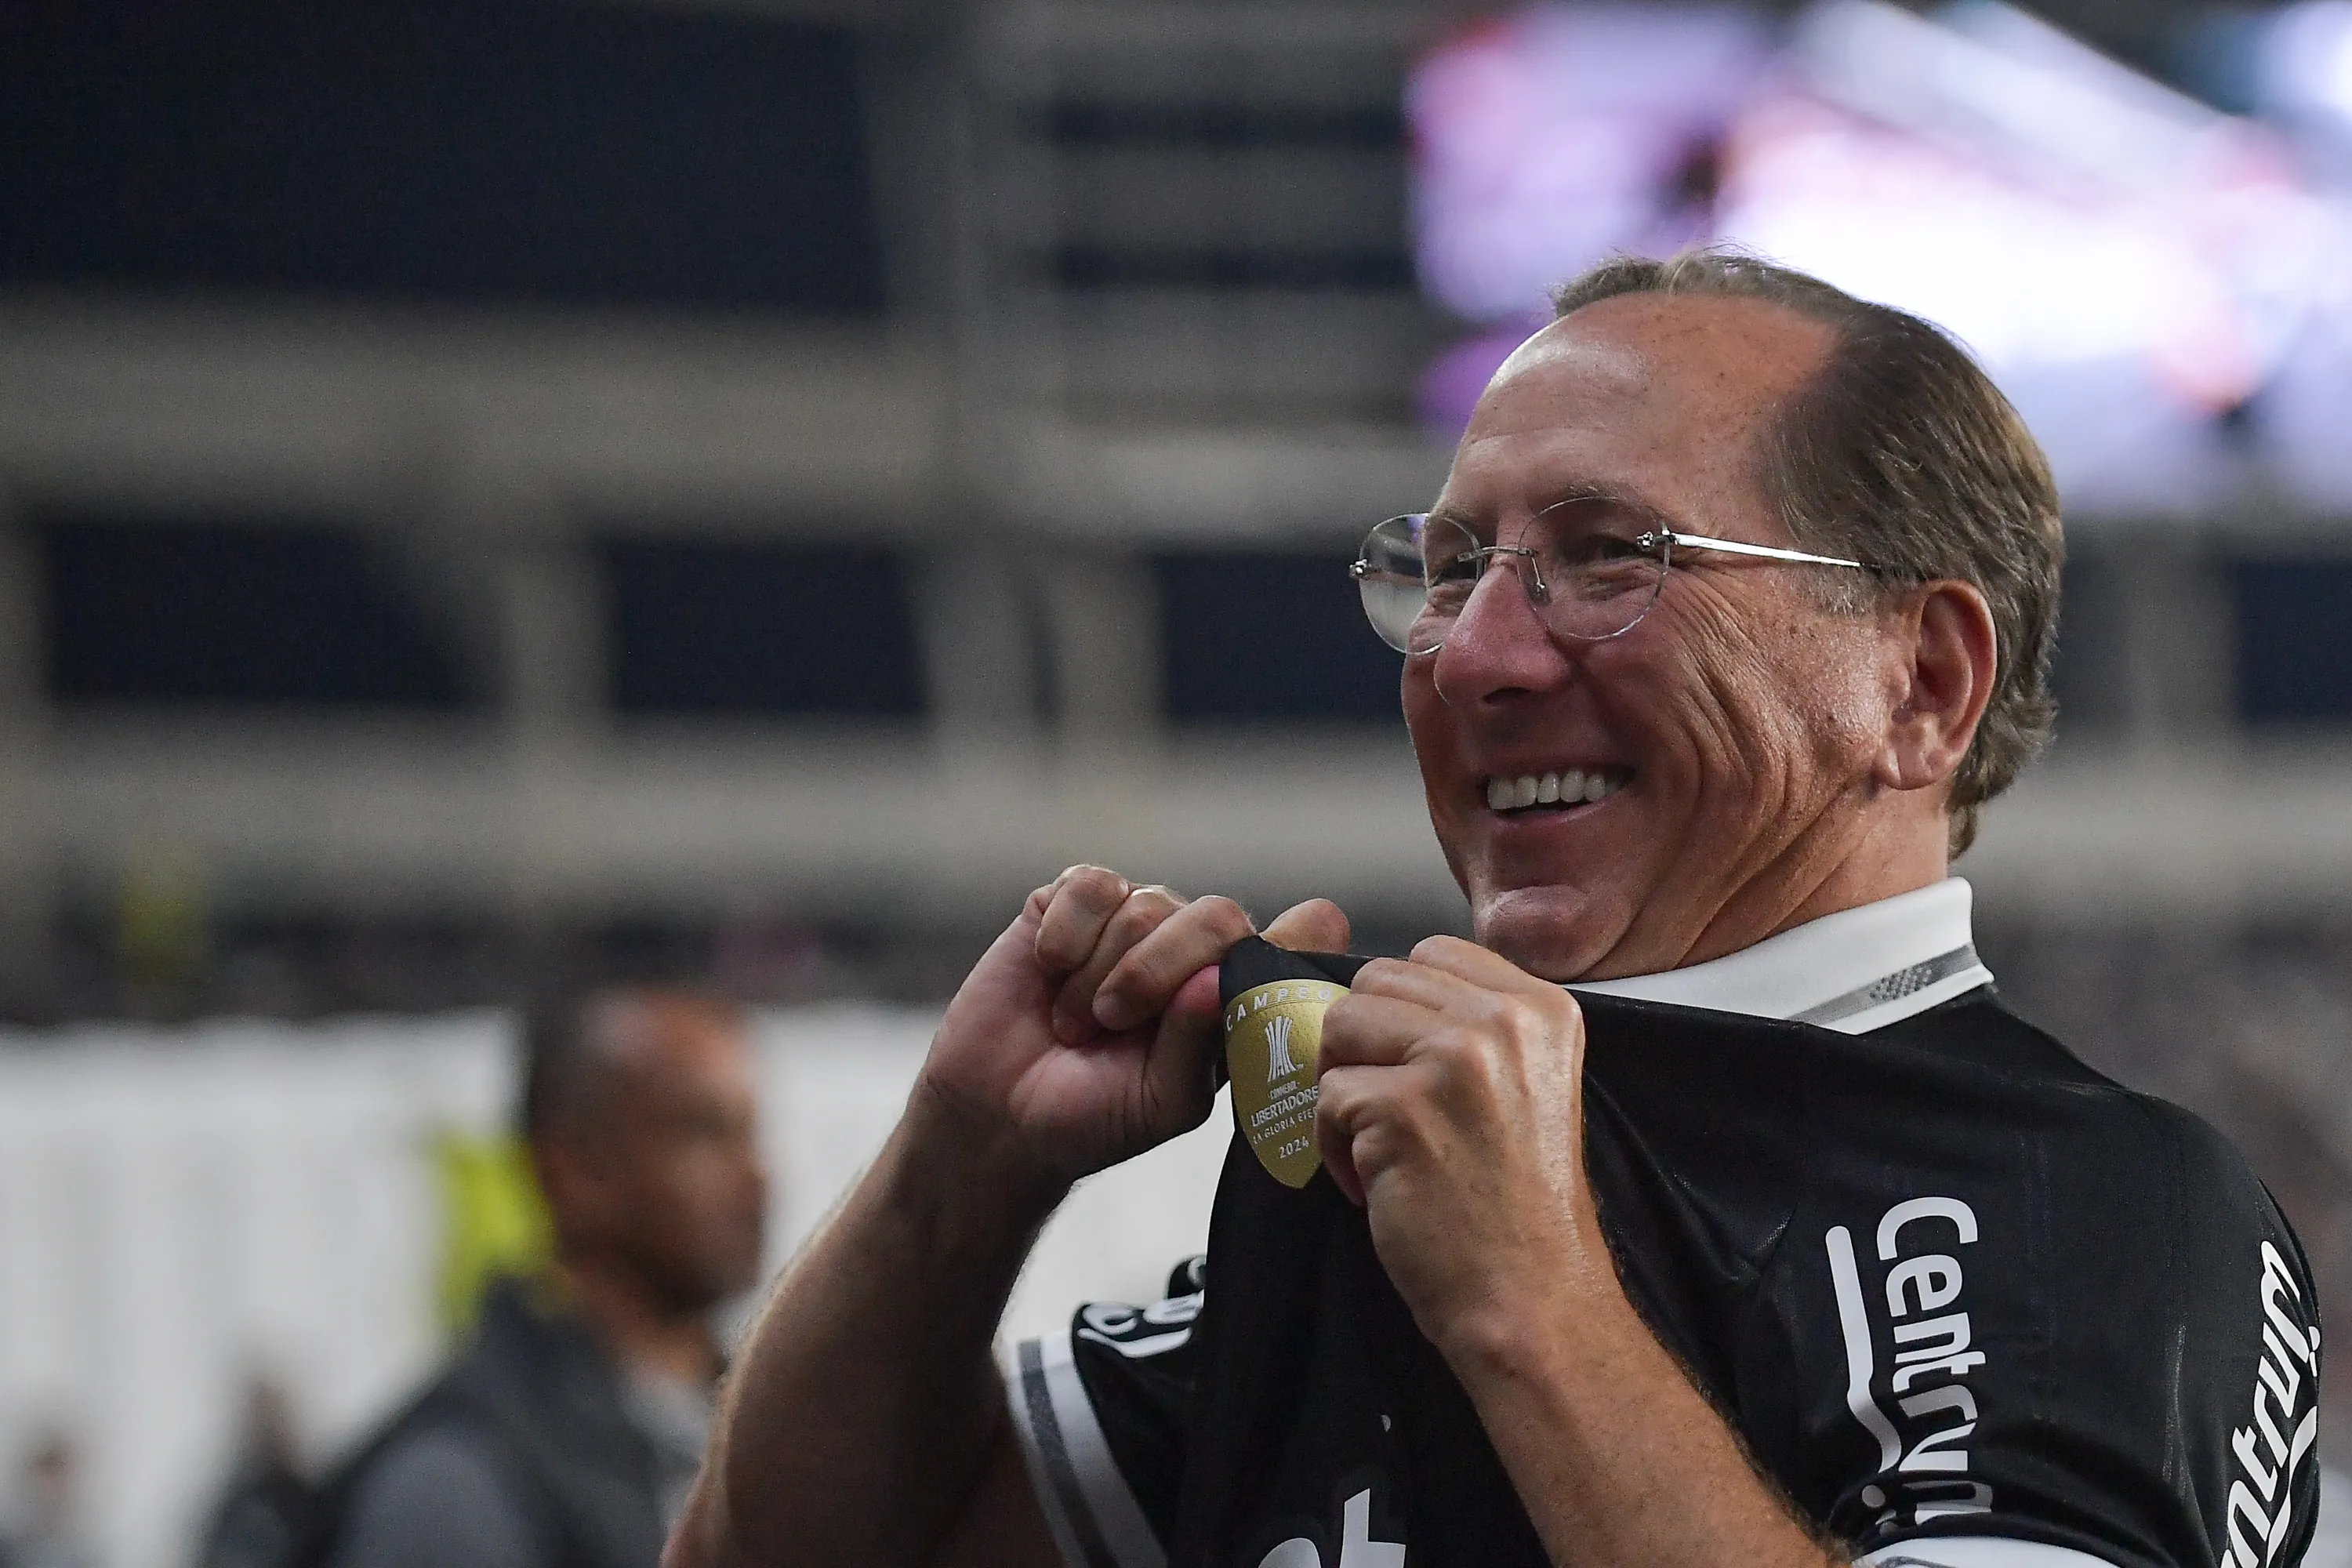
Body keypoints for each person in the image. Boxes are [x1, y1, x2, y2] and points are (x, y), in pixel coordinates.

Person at [667, 250, 2321, 1568]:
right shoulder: (1371, 1145)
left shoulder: (2107, 1208)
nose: (1474, 653)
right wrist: (954, 1181)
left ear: (1920, 679)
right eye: (1450, 567)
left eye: (1610, 556)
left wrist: (1533, 1305)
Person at [321, 986, 768, 1568]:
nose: (756, 1176)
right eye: (700, 1134)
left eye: (750, 1133)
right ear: (576, 1168)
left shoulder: (764, 1420)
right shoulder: (461, 1476)